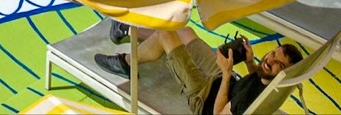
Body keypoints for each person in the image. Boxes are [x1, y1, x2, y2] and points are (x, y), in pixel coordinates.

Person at [93, 26, 302, 115]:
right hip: (221, 80)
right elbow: (259, 78)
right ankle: (127, 29)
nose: (270, 60)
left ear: (283, 72)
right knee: (185, 31)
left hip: (204, 97)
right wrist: (250, 63)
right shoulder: (274, 82)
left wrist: (227, 74)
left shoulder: (247, 99)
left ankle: (126, 62)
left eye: (278, 64)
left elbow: (216, 113)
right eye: (273, 54)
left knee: (166, 35)